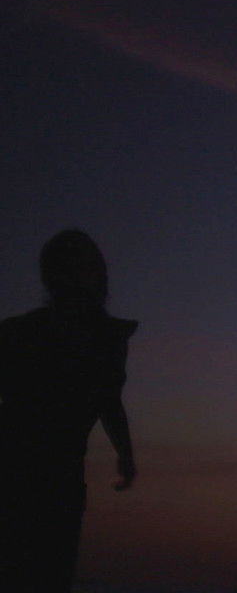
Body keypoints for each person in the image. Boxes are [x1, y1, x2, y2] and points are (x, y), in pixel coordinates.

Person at [0, 229, 137, 592]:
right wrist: (125, 455)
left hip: (51, 477)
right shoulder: (24, 333)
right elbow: (109, 400)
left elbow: (108, 400)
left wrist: (125, 454)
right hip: (30, 475)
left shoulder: (23, 332)